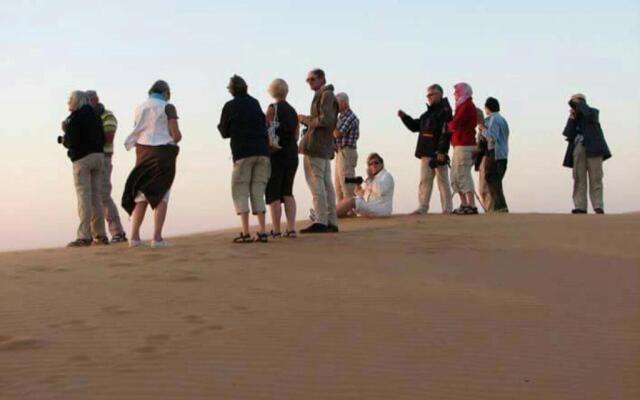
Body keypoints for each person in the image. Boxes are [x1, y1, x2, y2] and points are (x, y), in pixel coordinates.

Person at [122, 80, 182, 248]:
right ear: (166, 93)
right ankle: (157, 238)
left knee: (141, 194)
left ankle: (133, 237)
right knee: (161, 194)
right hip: (163, 154)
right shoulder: (168, 107)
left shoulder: (140, 107)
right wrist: (173, 138)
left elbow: (137, 129)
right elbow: (176, 135)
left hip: (142, 152)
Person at [219, 75, 271, 243]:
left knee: (240, 189)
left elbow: (224, 131)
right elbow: (263, 122)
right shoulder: (255, 103)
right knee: (258, 190)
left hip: (243, 152)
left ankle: (246, 231)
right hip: (262, 151)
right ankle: (262, 230)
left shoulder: (230, 106)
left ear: (232, 89)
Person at [61, 90, 108, 247]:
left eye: (70, 100)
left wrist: (65, 136)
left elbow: (71, 141)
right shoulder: (95, 115)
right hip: (99, 157)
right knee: (96, 198)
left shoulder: (76, 117)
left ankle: (84, 236)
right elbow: (103, 137)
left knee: (84, 198)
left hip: (83, 159)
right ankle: (100, 235)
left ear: (76, 101)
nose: (68, 103)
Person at [398, 84, 453, 215]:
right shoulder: (427, 114)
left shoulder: (445, 111)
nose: (429, 97)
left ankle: (447, 209)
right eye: (428, 95)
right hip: (426, 152)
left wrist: (442, 151)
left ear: (439, 94)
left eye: (432, 94)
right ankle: (422, 207)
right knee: (425, 181)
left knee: (443, 182)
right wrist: (404, 117)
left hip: (438, 153)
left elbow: (446, 133)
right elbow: (415, 126)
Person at [298, 69, 339, 233]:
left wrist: (305, 120)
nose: (310, 82)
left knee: (317, 183)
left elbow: (326, 120)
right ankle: (330, 220)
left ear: (322, 79)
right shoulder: (326, 95)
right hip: (322, 145)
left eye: (312, 79)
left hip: (316, 146)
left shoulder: (326, 95)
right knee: (325, 183)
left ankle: (322, 220)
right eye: (308, 80)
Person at [86, 90, 127, 243]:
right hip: (90, 159)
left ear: (94, 100)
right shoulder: (87, 118)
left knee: (103, 195)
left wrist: (91, 136)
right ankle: (94, 235)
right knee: (90, 199)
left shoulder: (107, 116)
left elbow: (109, 137)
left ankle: (118, 233)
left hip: (104, 158)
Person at [562, 94, 611, 214]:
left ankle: (598, 205)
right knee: (579, 178)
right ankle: (580, 206)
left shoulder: (592, 112)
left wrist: (580, 105)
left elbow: (589, 114)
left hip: (594, 148)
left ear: (582, 103)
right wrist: (572, 118)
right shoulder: (575, 117)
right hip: (578, 148)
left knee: (596, 177)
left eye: (576, 102)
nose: (574, 105)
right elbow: (568, 132)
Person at [265, 78, 299, 238]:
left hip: (277, 154)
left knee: (274, 193)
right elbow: (296, 134)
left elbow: (268, 131)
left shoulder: (273, 108)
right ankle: (291, 228)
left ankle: (277, 229)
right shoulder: (292, 110)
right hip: (292, 153)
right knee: (288, 191)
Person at [448, 82, 478, 215]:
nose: (455, 94)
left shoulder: (467, 106)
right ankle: (464, 203)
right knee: (454, 176)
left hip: (465, 145)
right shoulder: (462, 105)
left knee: (463, 175)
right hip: (459, 145)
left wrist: (448, 126)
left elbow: (455, 123)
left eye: (456, 91)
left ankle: (471, 205)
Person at [336, 153, 394, 218]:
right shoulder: (372, 178)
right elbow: (363, 195)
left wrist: (371, 178)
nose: (374, 165)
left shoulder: (386, 176)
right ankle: (332, 215)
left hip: (380, 209)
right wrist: (358, 187)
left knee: (350, 201)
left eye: (376, 163)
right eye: (371, 164)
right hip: (371, 206)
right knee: (348, 199)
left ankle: (330, 216)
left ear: (382, 164)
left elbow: (381, 191)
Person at [481, 97, 510, 213]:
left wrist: (483, 129)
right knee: (495, 179)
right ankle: (498, 207)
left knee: (492, 178)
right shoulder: (502, 119)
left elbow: (492, 137)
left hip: (495, 153)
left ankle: (501, 207)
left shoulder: (493, 119)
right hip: (503, 153)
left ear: (488, 107)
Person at [333, 92, 360, 205]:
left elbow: (338, 134)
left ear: (344, 103)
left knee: (347, 186)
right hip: (341, 152)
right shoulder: (341, 117)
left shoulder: (350, 116)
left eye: (336, 103)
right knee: (339, 186)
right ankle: (342, 212)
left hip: (347, 152)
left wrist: (330, 125)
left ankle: (349, 212)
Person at [475, 107, 492, 211]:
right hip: (482, 159)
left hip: (487, 157)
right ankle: (488, 209)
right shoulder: (480, 128)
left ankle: (490, 210)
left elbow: (489, 141)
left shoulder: (485, 126)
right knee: (482, 189)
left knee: (485, 188)